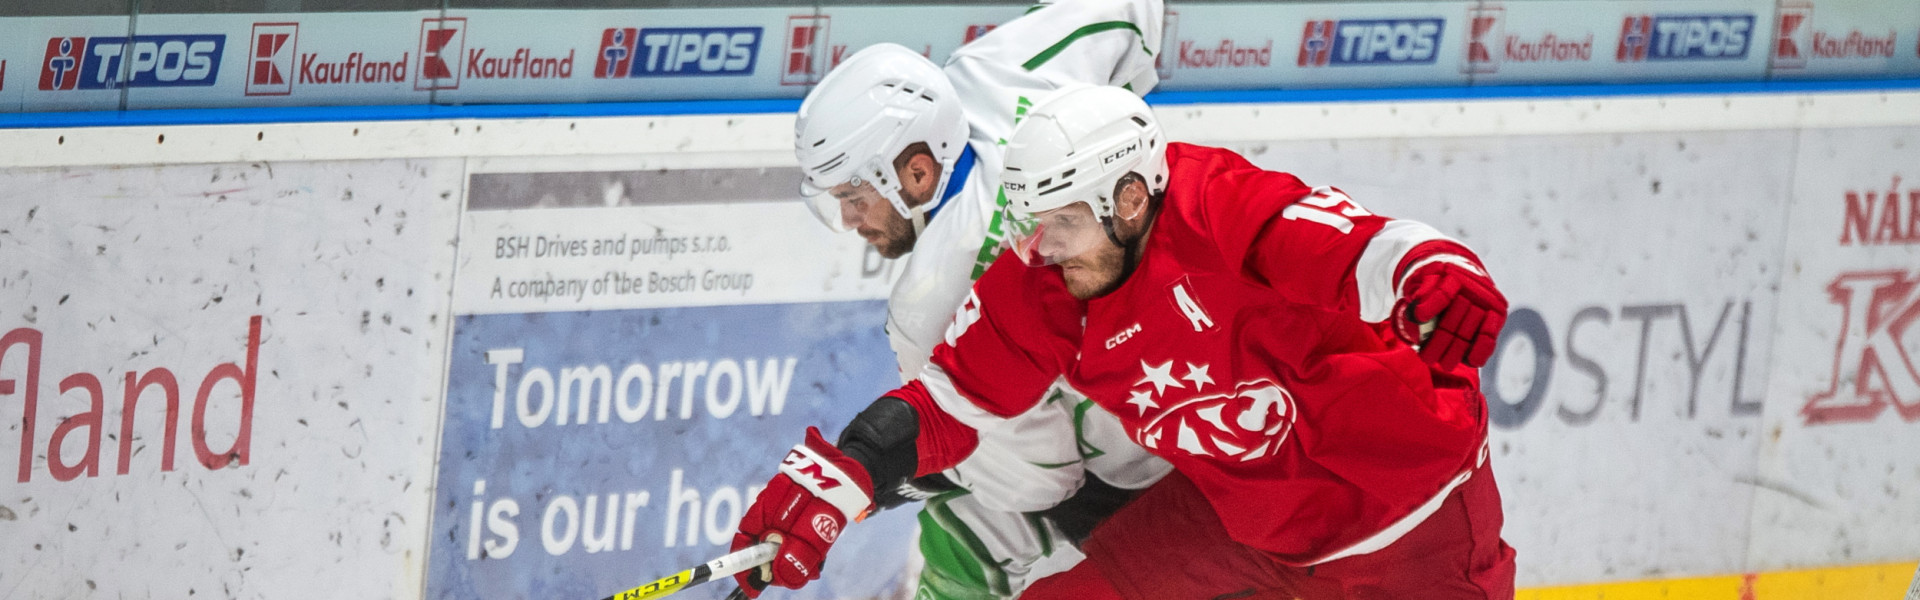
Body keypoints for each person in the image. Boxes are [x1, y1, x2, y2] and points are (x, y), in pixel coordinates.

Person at [735, 85, 1517, 599]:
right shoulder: (1047, 269)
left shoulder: (1218, 207)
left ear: (1131, 199)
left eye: (1062, 224)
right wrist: (849, 471)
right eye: (1028, 225)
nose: (1040, 249)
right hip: (1243, 520)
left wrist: (1431, 267)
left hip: (1412, 526)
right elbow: (948, 405)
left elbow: (1351, 243)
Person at [770, 1, 1173, 598]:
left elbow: (1043, 480)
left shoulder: (928, 309)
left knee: (957, 539)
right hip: (1218, 345)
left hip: (1146, 474)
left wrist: (902, 473)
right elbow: (1127, 10)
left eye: (855, 196)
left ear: (915, 173)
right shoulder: (996, 72)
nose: (851, 220)